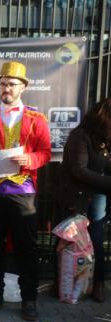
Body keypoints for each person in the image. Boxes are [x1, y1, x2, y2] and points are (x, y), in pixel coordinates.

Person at [0, 61, 51, 321]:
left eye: (12, 84)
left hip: (23, 192)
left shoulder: (38, 119)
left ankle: (29, 300)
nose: (6, 88)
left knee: (27, 248)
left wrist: (31, 160)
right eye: (3, 83)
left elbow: (45, 152)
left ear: (23, 87)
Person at [58, 98, 111, 302]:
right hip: (76, 195)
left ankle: (97, 283)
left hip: (98, 194)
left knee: (97, 241)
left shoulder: (105, 139)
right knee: (69, 241)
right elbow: (78, 170)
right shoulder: (80, 136)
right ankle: (63, 283)